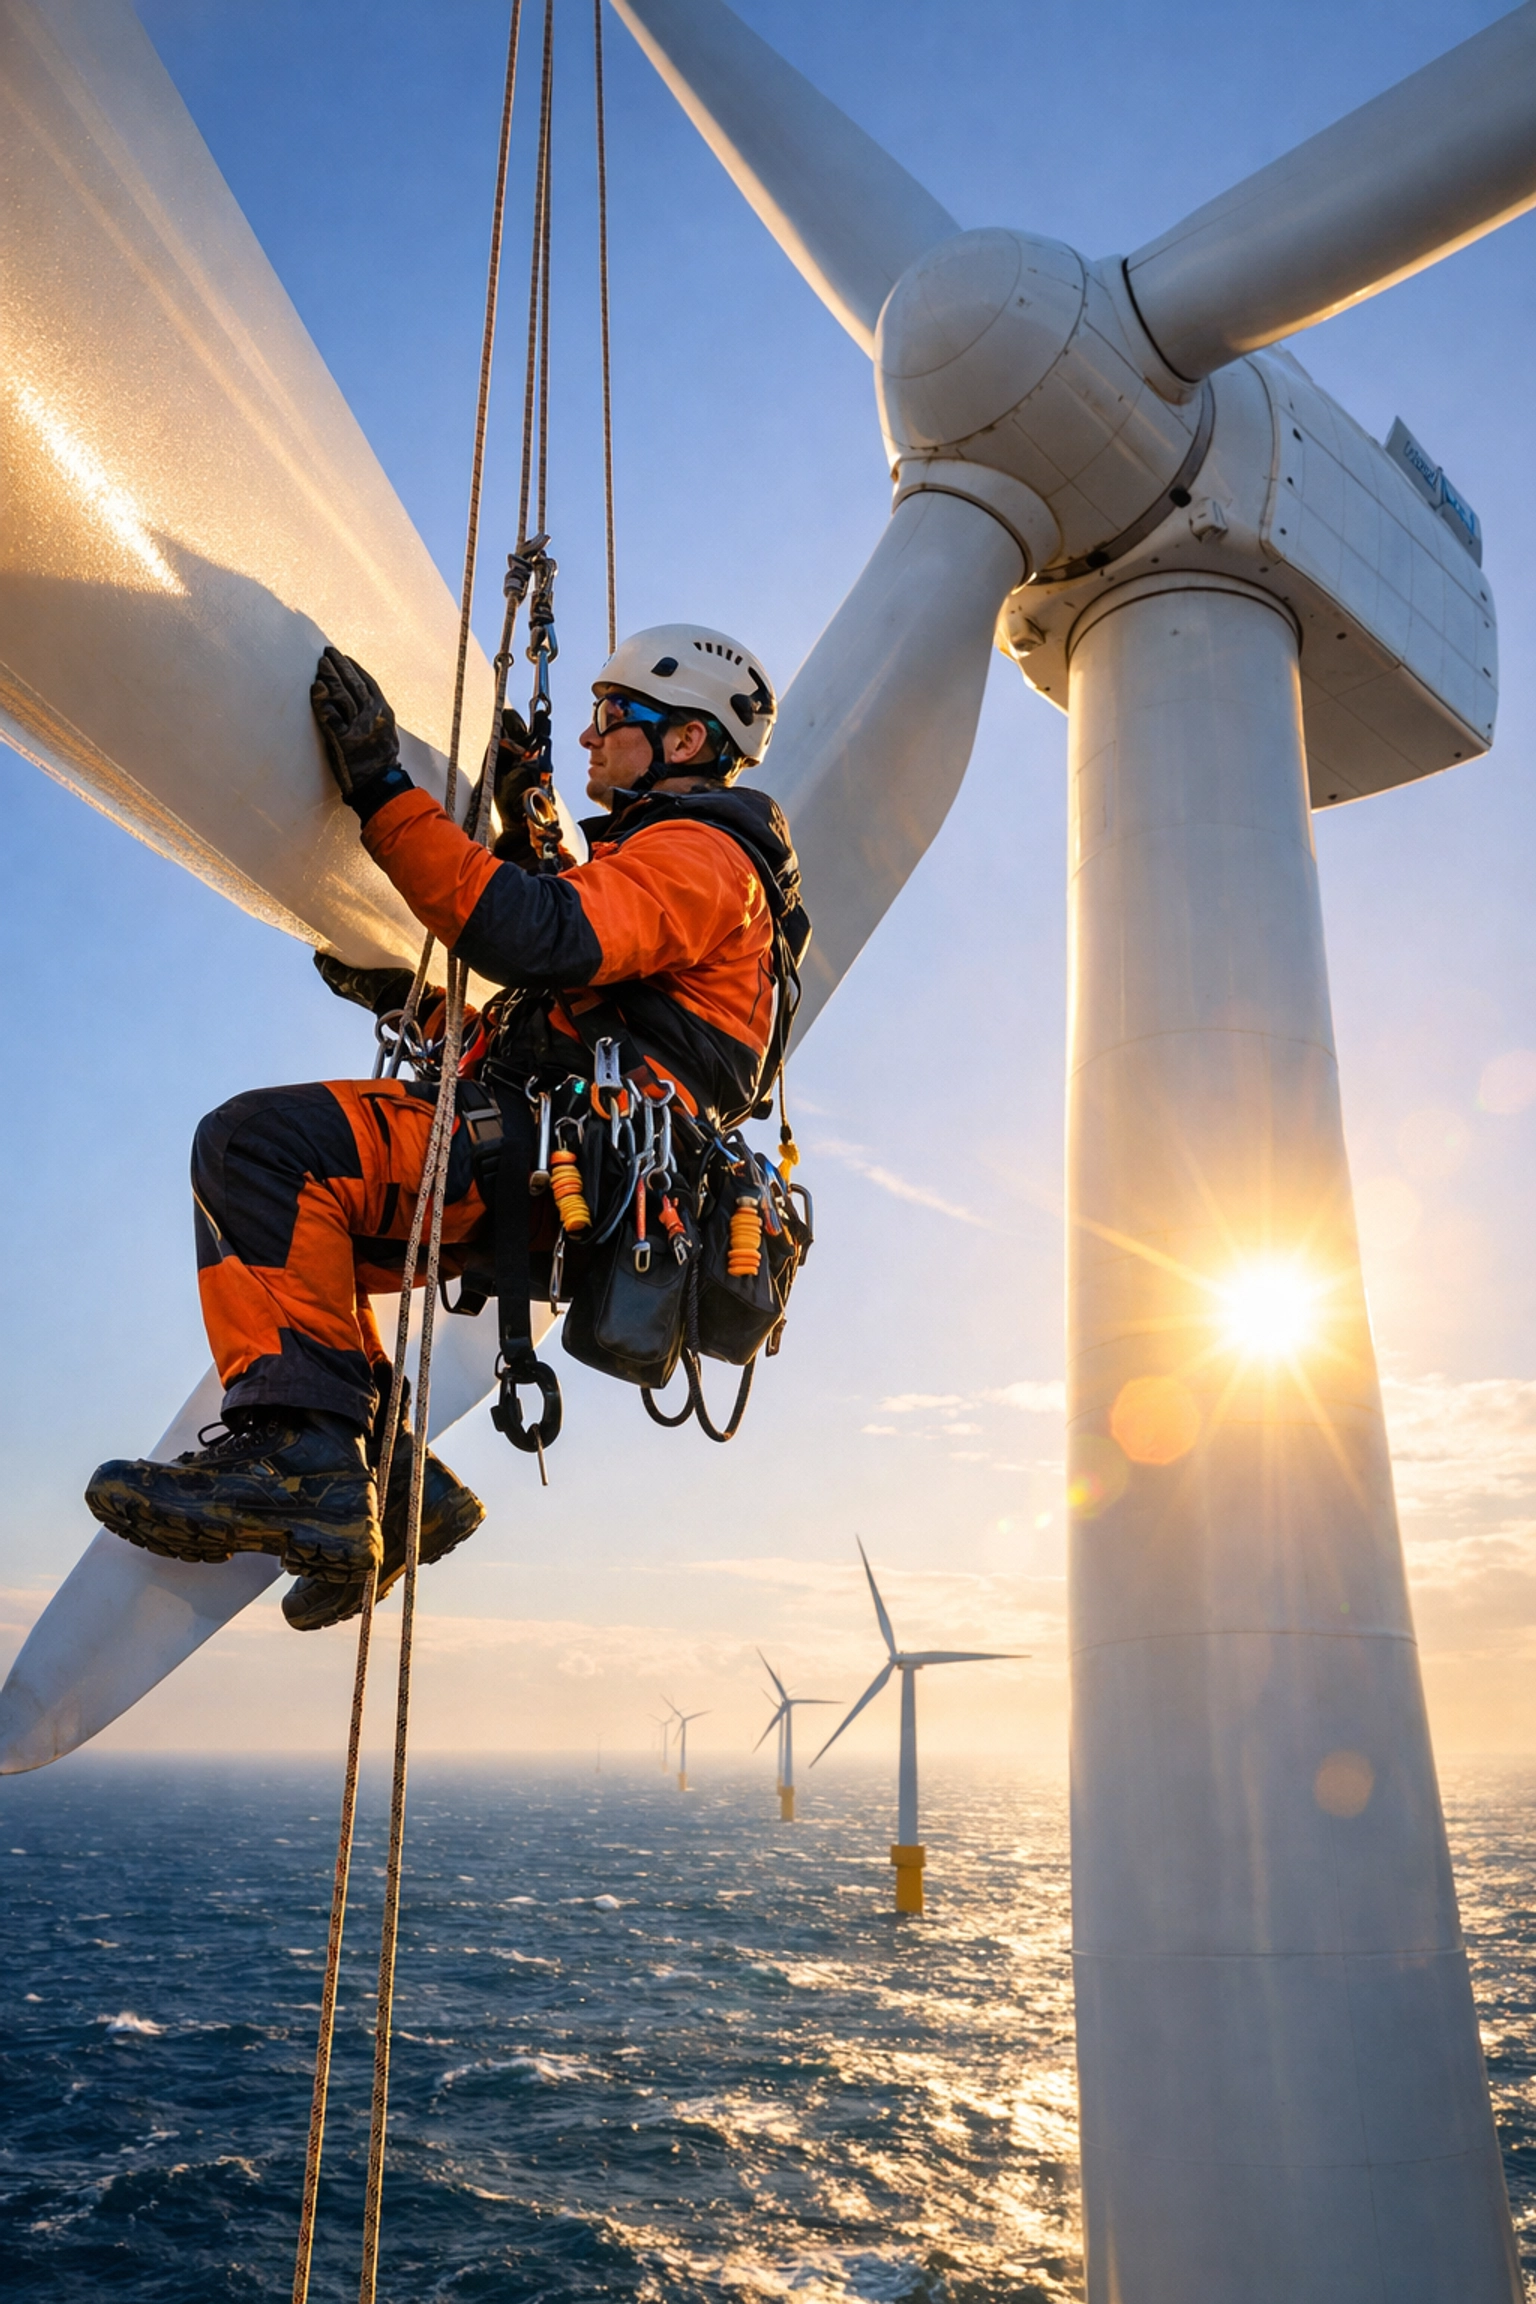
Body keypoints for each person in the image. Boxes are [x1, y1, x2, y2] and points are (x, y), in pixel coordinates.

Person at [85, 625, 794, 1632]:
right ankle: (390, 1478)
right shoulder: (683, 863)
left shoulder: (700, 855)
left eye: (610, 719)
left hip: (545, 1164)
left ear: (683, 744)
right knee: (304, 1226)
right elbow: (562, 1031)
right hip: (554, 1174)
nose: (587, 741)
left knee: (261, 1153)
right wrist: (406, 1001)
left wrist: (382, 788)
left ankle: (308, 1460)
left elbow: (531, 935)